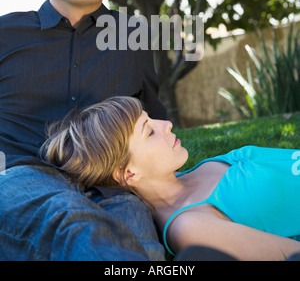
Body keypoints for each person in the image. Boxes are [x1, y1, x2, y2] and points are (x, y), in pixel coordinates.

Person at [0, 0, 167, 261]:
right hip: (23, 175)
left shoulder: (133, 40)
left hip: (111, 184)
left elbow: (154, 119)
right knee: (73, 221)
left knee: (144, 246)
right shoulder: (6, 33)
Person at [41, 96, 300, 262]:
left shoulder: (192, 173)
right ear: (128, 174)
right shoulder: (191, 226)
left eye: (152, 119)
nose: (166, 124)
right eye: (149, 131)